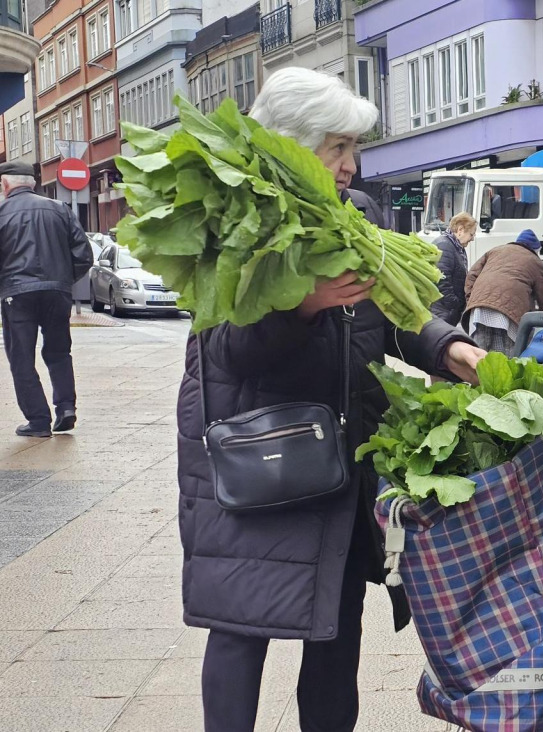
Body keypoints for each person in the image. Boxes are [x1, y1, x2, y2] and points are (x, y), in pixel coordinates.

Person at [176, 67, 486, 732]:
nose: (352, 165)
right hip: (258, 462)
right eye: (336, 147)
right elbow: (227, 349)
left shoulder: (358, 215)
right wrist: (302, 305)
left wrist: (446, 347)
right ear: (290, 142)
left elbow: (396, 310)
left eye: (353, 147)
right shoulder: (235, 218)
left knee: (336, 628)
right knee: (239, 626)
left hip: (338, 458)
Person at [0, 161, 92, 438]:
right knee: (58, 351)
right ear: (32, 183)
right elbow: (84, 255)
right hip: (57, 292)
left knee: (21, 358)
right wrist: (62, 280)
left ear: (5, 185)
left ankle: (38, 421)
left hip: (17, 294)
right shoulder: (60, 210)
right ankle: (66, 408)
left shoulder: (2, 212)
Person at [464, 228, 543, 356]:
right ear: (535, 249)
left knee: (479, 357)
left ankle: (477, 376)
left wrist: (472, 300)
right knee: (508, 359)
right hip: (509, 312)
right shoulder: (534, 261)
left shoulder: (495, 250)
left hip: (479, 310)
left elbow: (471, 275)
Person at [428, 212, 476, 326]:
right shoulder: (445, 246)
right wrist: (456, 304)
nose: (473, 238)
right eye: (471, 234)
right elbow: (442, 281)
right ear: (460, 230)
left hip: (446, 311)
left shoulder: (455, 246)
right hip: (443, 311)